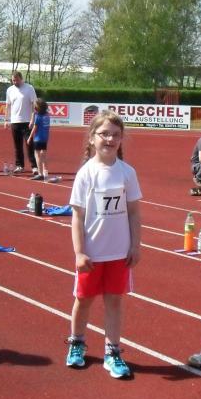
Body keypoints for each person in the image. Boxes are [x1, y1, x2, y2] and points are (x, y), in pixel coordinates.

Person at [66, 110, 142, 379]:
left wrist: (135, 245)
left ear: (121, 139)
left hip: (119, 253)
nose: (110, 139)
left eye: (115, 135)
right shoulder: (86, 174)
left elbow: (134, 212)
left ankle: (113, 352)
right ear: (92, 138)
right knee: (83, 300)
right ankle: (77, 342)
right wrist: (79, 252)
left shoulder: (127, 173)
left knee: (114, 302)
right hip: (92, 253)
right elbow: (77, 216)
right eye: (104, 134)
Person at [5, 71, 38, 174]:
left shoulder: (29, 88)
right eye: (13, 80)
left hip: (27, 121)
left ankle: (34, 166)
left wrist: (32, 119)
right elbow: (8, 106)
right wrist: (6, 120)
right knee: (17, 146)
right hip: (15, 121)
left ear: (21, 79)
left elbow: (34, 105)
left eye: (17, 80)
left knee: (29, 144)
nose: (15, 82)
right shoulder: (10, 90)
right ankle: (19, 165)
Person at [27, 99, 51, 181]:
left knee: (37, 155)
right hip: (45, 138)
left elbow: (34, 128)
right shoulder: (47, 116)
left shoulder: (38, 117)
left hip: (38, 138)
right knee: (44, 156)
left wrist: (30, 137)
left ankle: (40, 174)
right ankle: (45, 172)